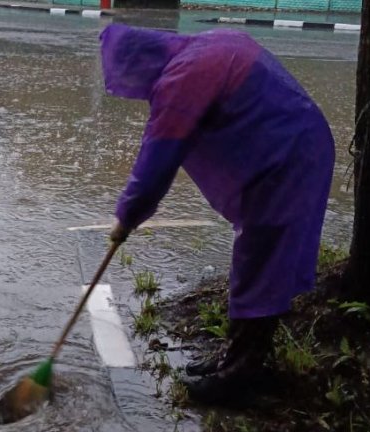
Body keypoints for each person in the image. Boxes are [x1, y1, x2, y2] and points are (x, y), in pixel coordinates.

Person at [100, 24, 335, 405]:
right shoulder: (204, 45)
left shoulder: (183, 78)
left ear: (141, 63)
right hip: (291, 148)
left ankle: (241, 378)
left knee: (261, 266)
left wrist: (126, 216)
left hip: (287, 161)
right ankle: (234, 359)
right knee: (256, 263)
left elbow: (157, 160)